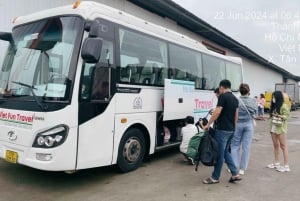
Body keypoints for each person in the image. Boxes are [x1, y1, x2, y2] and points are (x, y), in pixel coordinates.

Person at [202, 79, 241, 184]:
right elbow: (236, 115)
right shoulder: (235, 98)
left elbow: (218, 112)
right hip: (231, 130)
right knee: (225, 152)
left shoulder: (223, 96)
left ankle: (215, 177)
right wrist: (234, 127)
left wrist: (208, 124)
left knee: (219, 154)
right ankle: (235, 173)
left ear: (221, 87)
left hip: (222, 130)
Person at [231, 83, 257, 175]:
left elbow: (233, 113)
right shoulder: (253, 100)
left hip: (237, 124)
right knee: (246, 147)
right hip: (248, 124)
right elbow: (255, 113)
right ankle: (242, 169)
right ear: (248, 91)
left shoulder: (236, 100)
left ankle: (233, 167)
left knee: (234, 146)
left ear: (240, 91)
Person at [266, 91, 290, 172]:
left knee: (283, 146)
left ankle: (286, 165)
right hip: (273, 127)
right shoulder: (274, 106)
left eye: (274, 97)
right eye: (272, 97)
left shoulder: (284, 105)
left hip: (281, 128)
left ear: (278, 97)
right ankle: (276, 163)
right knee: (275, 145)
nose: (273, 99)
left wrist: (278, 115)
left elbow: (286, 116)